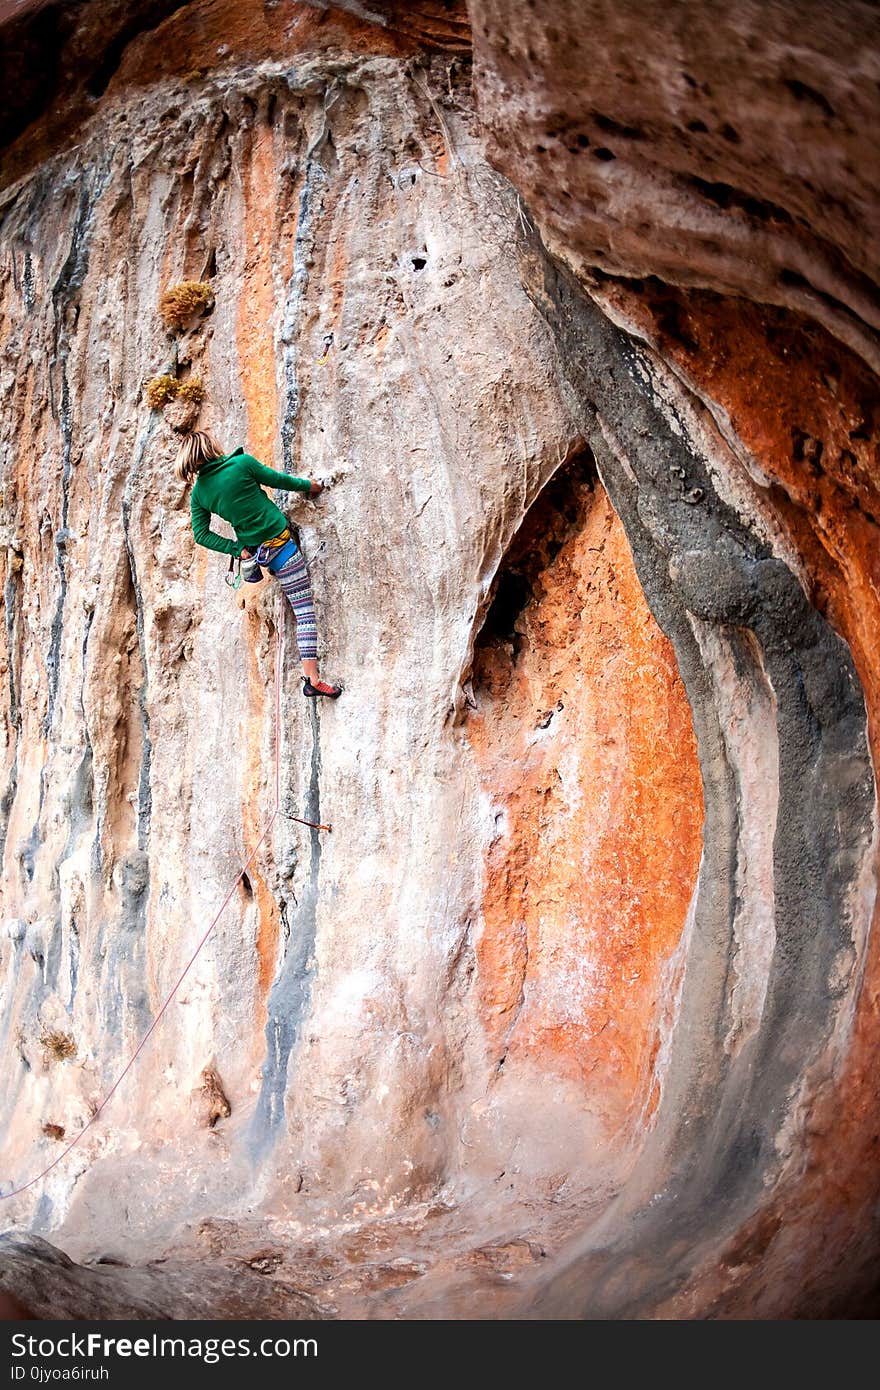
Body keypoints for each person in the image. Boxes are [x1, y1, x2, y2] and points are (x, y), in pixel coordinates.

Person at [175, 430, 342, 698]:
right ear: (211, 446)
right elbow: (279, 481)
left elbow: (201, 534)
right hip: (282, 549)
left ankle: (311, 676)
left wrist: (236, 548)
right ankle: (312, 678)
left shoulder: (200, 494)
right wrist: (312, 486)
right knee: (304, 613)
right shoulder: (241, 464)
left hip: (256, 553)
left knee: (298, 607)